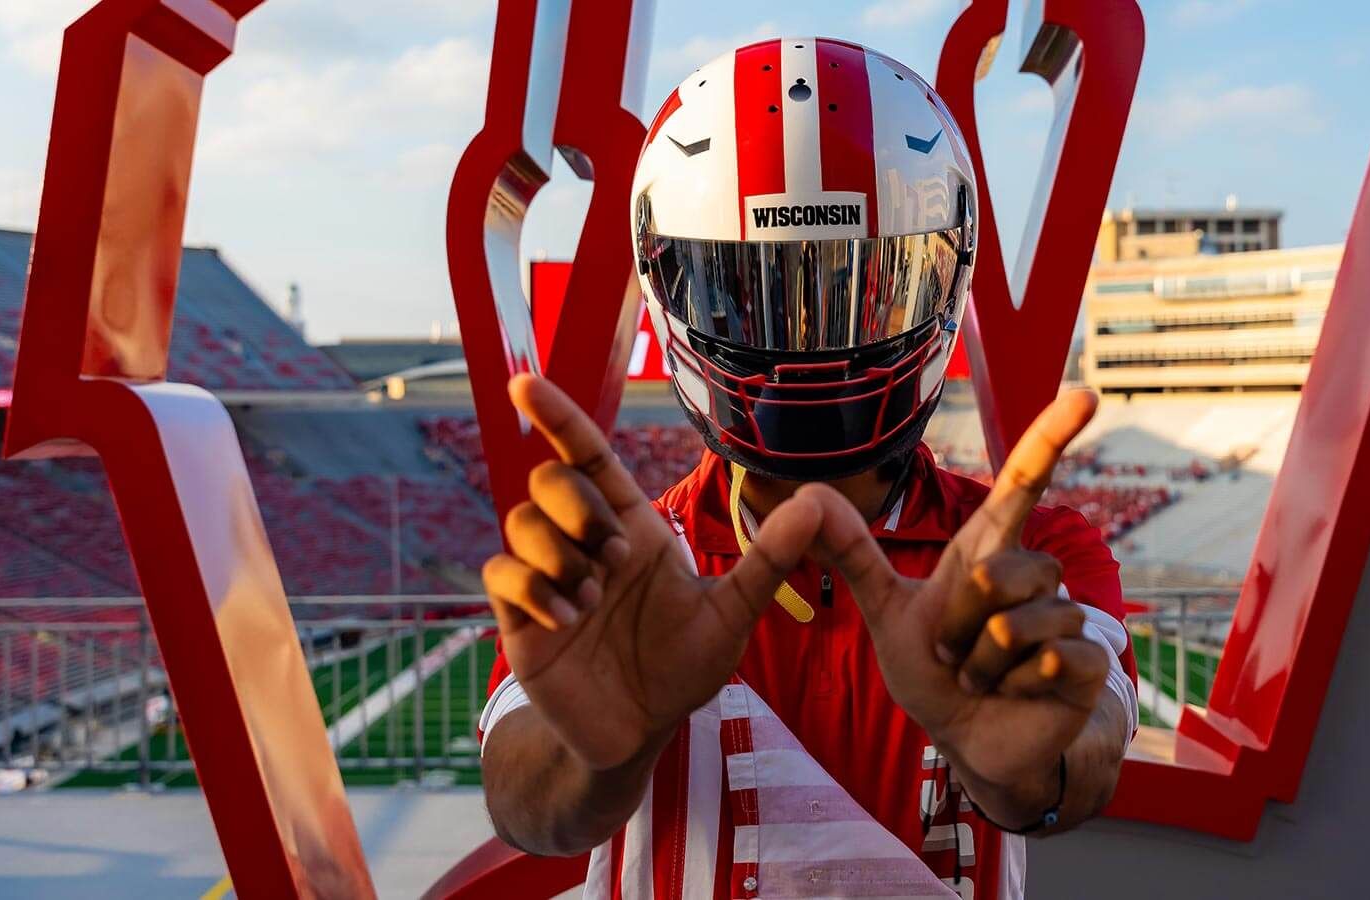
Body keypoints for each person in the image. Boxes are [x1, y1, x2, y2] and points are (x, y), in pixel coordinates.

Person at [476, 37, 1136, 899]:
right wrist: (605, 745)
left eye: (861, 286)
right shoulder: (627, 569)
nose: (809, 346)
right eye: (752, 291)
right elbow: (526, 804)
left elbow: (1087, 755)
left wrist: (1020, 764)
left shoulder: (1037, 551)